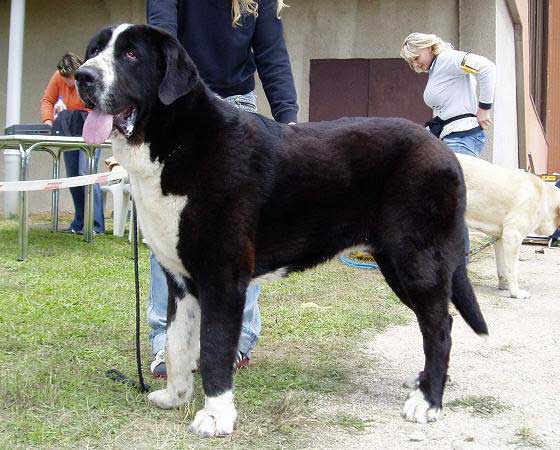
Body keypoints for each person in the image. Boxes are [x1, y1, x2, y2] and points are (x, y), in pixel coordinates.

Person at [146, 0, 299, 377]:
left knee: (241, 234)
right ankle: (168, 343)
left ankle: (236, 339)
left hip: (237, 110)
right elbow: (163, 39)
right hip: (180, 104)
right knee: (168, 230)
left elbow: (271, 52)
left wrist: (289, 121)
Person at [400, 32, 496, 260]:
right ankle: (448, 259)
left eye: (416, 56)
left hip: (463, 136)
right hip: (450, 136)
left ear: (428, 47)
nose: (415, 63)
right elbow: (447, 110)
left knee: (451, 200)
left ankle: (456, 264)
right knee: (443, 198)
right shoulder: (437, 69)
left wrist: (484, 107)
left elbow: (487, 68)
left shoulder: (448, 58)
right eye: (411, 61)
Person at [40, 53, 105, 235]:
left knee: (86, 172)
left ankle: (96, 226)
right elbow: (47, 100)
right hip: (69, 128)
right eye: (65, 78)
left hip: (90, 127)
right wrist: (48, 121)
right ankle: (79, 223)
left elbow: (98, 104)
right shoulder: (58, 77)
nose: (68, 82)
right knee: (72, 176)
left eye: (71, 78)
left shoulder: (88, 77)